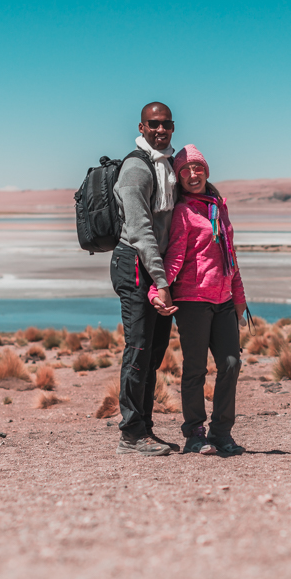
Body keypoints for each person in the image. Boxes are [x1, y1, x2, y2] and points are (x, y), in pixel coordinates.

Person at [148, 144, 246, 456]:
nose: (193, 174)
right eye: (185, 170)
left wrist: (240, 297)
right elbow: (175, 256)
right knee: (195, 369)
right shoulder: (183, 212)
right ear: (178, 177)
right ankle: (194, 433)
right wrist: (157, 289)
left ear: (206, 170)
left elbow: (230, 258)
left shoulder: (218, 207)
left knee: (231, 364)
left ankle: (221, 432)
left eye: (198, 168)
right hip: (192, 300)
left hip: (224, 299)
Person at [110, 102, 179, 456]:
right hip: (136, 264)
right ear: (142, 125)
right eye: (153, 124)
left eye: (166, 124)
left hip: (156, 268)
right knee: (138, 347)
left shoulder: (167, 166)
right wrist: (162, 281)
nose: (160, 130)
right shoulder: (137, 169)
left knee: (153, 351)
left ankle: (144, 428)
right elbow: (140, 231)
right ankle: (131, 434)